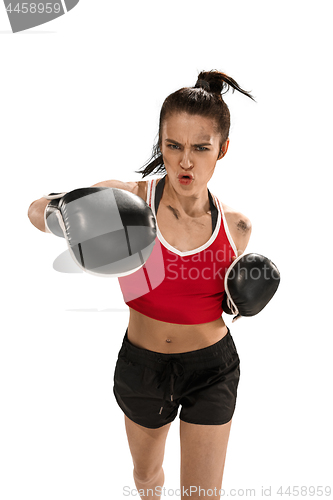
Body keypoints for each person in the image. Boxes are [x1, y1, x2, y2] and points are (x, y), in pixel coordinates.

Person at [28, 69, 255, 500]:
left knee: (201, 496)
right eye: (173, 146)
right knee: (148, 478)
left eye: (200, 148)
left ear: (222, 149)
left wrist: (242, 303)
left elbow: (219, 304)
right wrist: (64, 214)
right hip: (143, 368)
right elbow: (35, 210)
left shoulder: (238, 227)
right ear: (161, 144)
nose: (185, 162)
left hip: (213, 368)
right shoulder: (128, 202)